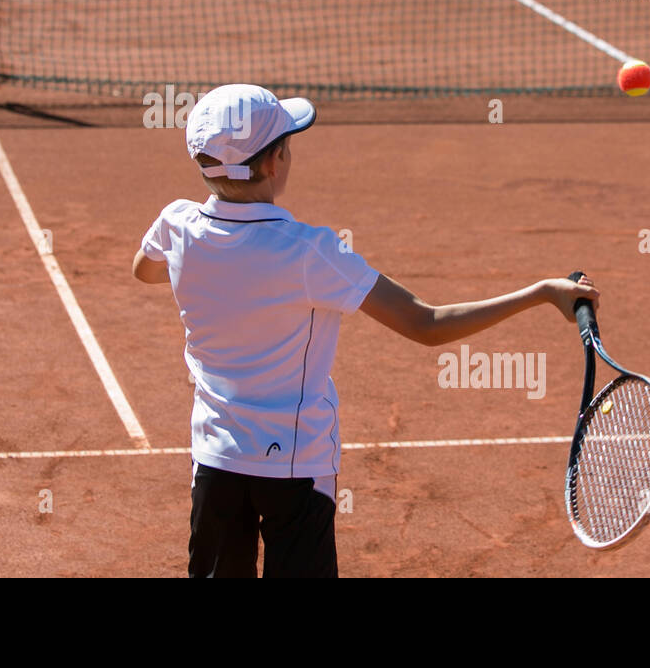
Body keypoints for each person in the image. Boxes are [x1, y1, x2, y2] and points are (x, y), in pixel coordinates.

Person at [132, 83, 599, 578]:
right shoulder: (310, 252)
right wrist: (540, 293)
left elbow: (145, 267)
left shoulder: (177, 226)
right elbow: (426, 323)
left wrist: (210, 268)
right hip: (296, 467)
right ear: (273, 163)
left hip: (216, 459)